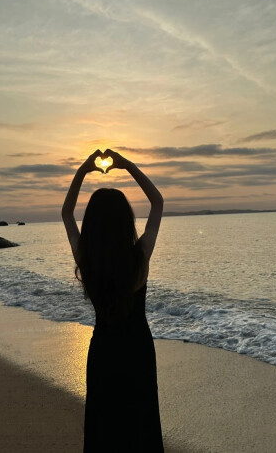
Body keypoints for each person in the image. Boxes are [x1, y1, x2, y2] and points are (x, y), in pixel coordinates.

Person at [62, 148, 165, 452]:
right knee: (141, 426)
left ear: (92, 224)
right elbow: (158, 202)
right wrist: (126, 165)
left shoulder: (87, 258)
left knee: (103, 428)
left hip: (103, 354)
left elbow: (66, 213)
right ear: (126, 222)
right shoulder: (139, 258)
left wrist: (83, 170)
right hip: (138, 353)